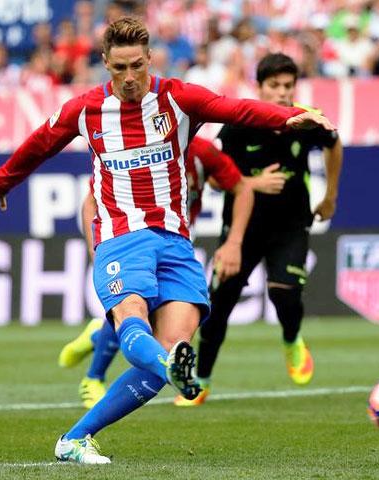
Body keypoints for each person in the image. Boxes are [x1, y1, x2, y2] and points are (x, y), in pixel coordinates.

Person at [0, 17, 334, 464]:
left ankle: (75, 438)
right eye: (119, 69)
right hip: (120, 236)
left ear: (150, 58)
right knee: (138, 327)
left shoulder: (177, 98)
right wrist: (1, 180)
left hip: (175, 242)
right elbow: (40, 143)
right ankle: (163, 369)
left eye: (136, 66)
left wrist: (289, 116)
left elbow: (237, 109)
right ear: (105, 64)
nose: (129, 78)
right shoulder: (86, 110)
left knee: (170, 353)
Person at [178, 53, 343, 407]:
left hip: (292, 225)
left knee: (284, 293)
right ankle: (201, 382)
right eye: (274, 86)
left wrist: (330, 195)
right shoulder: (238, 123)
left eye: (288, 86)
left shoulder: (307, 118)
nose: (283, 93)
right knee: (218, 306)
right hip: (242, 229)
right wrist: (252, 182)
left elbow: (334, 143)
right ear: (260, 88)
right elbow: (219, 178)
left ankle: (292, 339)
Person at [58, 136, 259, 409]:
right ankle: (93, 379)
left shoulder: (201, 151)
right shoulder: (137, 146)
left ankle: (100, 335)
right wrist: (98, 251)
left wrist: (235, 238)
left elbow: (235, 185)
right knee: (135, 308)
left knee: (149, 320)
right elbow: (91, 202)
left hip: (175, 242)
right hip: (130, 239)